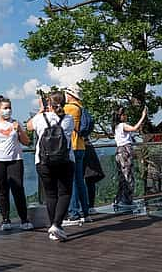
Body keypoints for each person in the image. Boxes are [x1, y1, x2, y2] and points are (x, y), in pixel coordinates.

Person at [26, 91, 75, 241]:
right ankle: (57, 225)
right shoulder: (68, 119)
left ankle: (54, 228)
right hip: (65, 161)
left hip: (43, 162)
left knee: (50, 194)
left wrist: (41, 111)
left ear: (48, 103)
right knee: (65, 193)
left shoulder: (40, 119)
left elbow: (28, 126)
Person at [0, 95, 33, 231]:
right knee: (2, 191)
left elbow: (27, 142)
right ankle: (5, 219)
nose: (8, 110)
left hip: (15, 160)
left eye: (9, 108)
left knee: (18, 189)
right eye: (5, 108)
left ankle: (24, 219)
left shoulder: (15, 124)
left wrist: (19, 130)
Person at [62, 86, 90, 224]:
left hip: (72, 147)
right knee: (80, 181)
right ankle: (85, 211)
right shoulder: (81, 107)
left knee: (71, 181)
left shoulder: (70, 108)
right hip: (81, 146)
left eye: (66, 94)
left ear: (70, 95)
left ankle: (73, 213)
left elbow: (55, 115)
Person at [112, 105, 148, 209]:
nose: (126, 116)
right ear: (120, 116)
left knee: (122, 177)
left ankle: (119, 199)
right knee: (128, 177)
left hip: (119, 151)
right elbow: (134, 128)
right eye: (124, 114)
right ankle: (126, 200)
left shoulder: (115, 127)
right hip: (125, 151)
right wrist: (143, 116)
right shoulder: (122, 125)